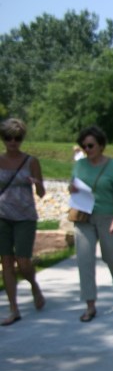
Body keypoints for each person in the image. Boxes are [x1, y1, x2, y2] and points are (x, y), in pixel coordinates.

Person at [70, 125, 113, 322]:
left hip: (107, 216)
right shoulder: (80, 165)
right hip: (84, 217)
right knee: (84, 259)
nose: (87, 149)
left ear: (101, 146)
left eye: (90, 145)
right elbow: (74, 186)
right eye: (84, 146)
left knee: (112, 256)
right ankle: (90, 305)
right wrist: (73, 189)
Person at [0, 118, 46, 326]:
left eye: (17, 138)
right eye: (8, 138)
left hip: (25, 216)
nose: (13, 142)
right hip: (2, 215)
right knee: (7, 262)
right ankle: (13, 309)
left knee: (23, 260)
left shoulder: (31, 161)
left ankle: (33, 284)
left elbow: (42, 193)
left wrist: (36, 184)